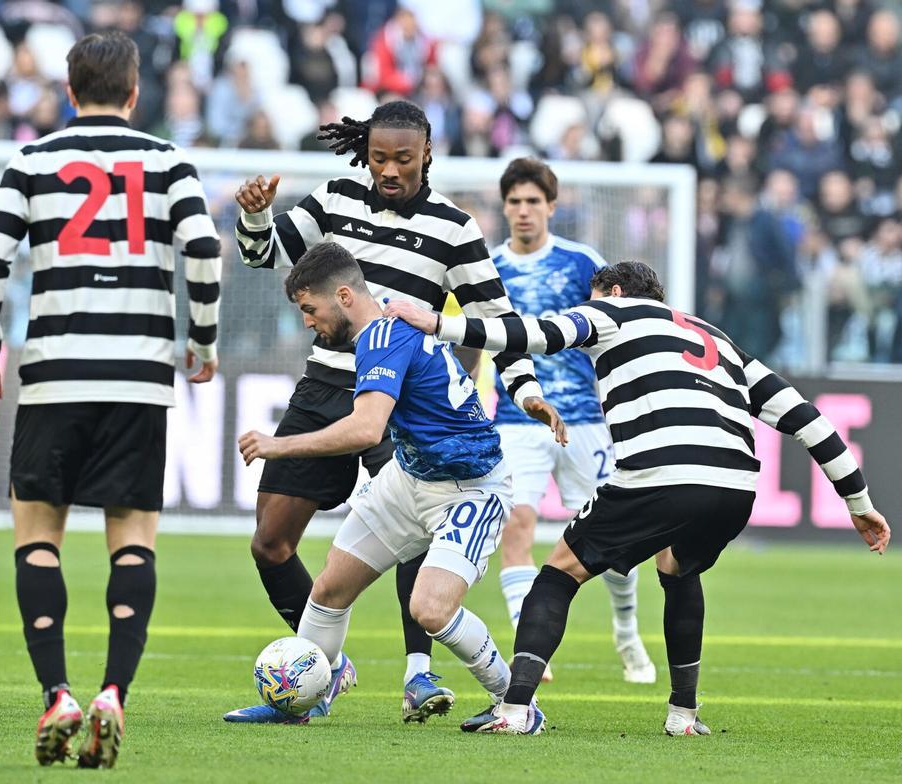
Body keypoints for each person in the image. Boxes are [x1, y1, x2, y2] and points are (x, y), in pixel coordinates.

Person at [384, 262, 891, 734]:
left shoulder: (612, 311)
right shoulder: (718, 338)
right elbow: (806, 418)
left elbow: (530, 335)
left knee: (559, 574)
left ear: (615, 291)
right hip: (736, 485)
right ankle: (684, 715)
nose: (588, 306)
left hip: (662, 471)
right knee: (677, 567)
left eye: (593, 297)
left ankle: (515, 710)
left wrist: (436, 323)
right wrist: (858, 502)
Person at [228, 99, 562, 724]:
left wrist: (524, 390)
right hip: (327, 386)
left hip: (404, 402)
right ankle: (317, 674)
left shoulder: (454, 228)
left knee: (420, 541)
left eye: (402, 160)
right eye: (378, 157)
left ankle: (419, 673)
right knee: (272, 543)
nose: (387, 170)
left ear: (427, 154)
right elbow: (268, 258)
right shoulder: (335, 198)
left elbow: (497, 325)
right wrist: (255, 218)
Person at [0, 31, 222, 768]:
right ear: (135, 93)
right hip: (138, 376)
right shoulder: (169, 162)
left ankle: (58, 694)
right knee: (132, 540)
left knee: (37, 538)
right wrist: (200, 342)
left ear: (69, 91)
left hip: (53, 374)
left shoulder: (33, 161)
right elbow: (203, 252)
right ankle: (114, 691)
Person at [488, 158, 655, 685]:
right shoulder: (488, 268)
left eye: (532, 201)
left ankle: (626, 632)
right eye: (514, 201)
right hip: (517, 416)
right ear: (504, 207)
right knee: (515, 524)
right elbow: (481, 341)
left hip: (587, 418)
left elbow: (622, 325)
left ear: (552, 207)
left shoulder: (584, 264)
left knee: (614, 542)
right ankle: (527, 642)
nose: (522, 211)